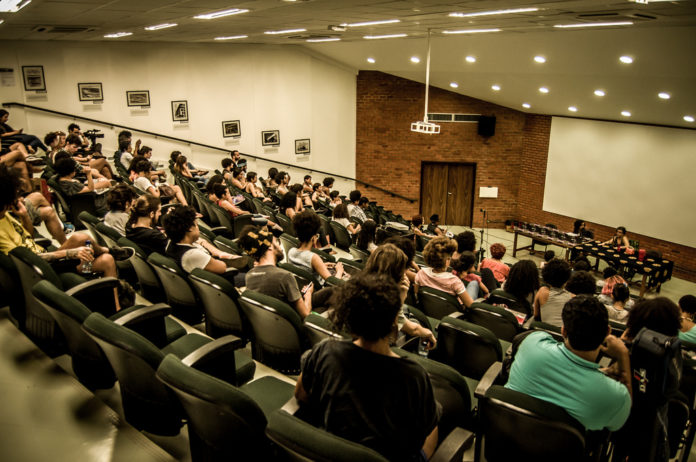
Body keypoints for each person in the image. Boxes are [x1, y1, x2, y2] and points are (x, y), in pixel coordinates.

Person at [295, 273, 440, 461]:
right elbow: (422, 433)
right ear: (394, 322)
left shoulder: (325, 351)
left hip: (332, 450)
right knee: (436, 415)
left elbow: (301, 394)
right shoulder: (413, 376)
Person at [0, 164, 130, 310]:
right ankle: (116, 309)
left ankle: (106, 252)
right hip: (45, 267)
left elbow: (28, 236)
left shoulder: (5, 217)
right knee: (104, 259)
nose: (22, 200)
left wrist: (24, 216)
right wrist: (67, 253)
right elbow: (23, 260)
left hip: (50, 259)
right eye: (17, 196)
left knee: (81, 240)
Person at [506, 295, 632, 431]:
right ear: (607, 332)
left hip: (507, 439)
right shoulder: (615, 396)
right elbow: (622, 420)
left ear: (563, 331)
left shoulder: (532, 342)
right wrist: (624, 357)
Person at [363, 243, 436, 348]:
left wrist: (427, 333)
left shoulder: (357, 286)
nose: (405, 275)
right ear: (397, 276)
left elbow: (411, 328)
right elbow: (390, 339)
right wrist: (399, 300)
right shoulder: (384, 302)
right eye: (404, 271)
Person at [237, 225, 316, 317]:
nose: (280, 246)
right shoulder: (285, 276)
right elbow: (306, 315)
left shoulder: (249, 276)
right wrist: (308, 294)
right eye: (277, 242)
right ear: (270, 246)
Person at [162, 205, 249, 280]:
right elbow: (222, 267)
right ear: (190, 228)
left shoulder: (171, 242)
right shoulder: (191, 254)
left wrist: (206, 245)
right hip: (223, 278)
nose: (197, 228)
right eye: (196, 224)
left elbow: (203, 244)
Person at [415, 236, 474, 308]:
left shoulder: (421, 273)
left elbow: (416, 296)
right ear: (447, 261)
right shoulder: (454, 281)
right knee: (474, 284)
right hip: (452, 316)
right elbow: (470, 305)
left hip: (428, 311)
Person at [288, 210, 344, 285]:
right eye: (317, 236)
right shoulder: (313, 258)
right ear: (313, 238)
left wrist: (321, 266)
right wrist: (339, 270)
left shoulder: (291, 251)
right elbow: (333, 283)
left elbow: (303, 269)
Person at [533, 258, 572, 326]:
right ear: (567, 279)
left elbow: (536, 315)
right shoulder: (573, 298)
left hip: (544, 331)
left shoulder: (542, 291)